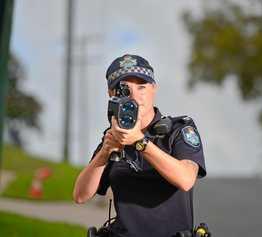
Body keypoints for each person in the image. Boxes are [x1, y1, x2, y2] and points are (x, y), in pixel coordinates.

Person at [73, 54, 207, 237]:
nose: (135, 95)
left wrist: (140, 142)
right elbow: (80, 195)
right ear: (111, 94)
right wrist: (105, 152)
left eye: (142, 87)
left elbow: (185, 179)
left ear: (154, 88)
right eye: (125, 89)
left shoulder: (178, 130)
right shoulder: (113, 136)